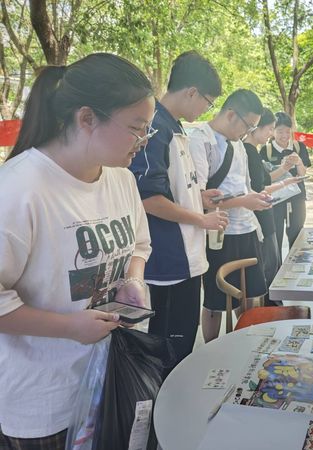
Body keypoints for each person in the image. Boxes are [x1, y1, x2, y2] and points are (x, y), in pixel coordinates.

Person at [0, 53, 154, 448]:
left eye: (147, 129)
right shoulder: (18, 190)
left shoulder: (121, 180)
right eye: (137, 128)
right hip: (45, 403)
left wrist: (134, 280)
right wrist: (70, 327)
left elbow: (139, 244)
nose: (144, 141)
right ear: (87, 118)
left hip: (112, 379)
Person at [129, 50, 229, 364]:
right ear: (191, 92)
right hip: (169, 261)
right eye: (208, 102)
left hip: (185, 257)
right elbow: (149, 199)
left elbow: (172, 190)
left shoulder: (175, 126)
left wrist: (199, 198)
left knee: (184, 339)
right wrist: (201, 219)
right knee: (169, 349)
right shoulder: (155, 128)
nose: (206, 109)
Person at [189, 89, 272, 343]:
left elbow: (244, 186)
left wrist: (256, 198)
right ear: (231, 115)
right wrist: (244, 202)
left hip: (247, 228)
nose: (248, 133)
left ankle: (243, 344)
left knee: (249, 295)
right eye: (248, 126)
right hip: (219, 233)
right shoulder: (200, 140)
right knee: (215, 302)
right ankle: (213, 350)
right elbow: (199, 197)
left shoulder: (239, 145)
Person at [243, 108, 303, 306]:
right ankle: (271, 308)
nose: (271, 134)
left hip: (264, 214)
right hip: (262, 216)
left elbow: (262, 183)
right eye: (270, 129)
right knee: (269, 266)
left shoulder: (249, 150)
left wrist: (286, 180)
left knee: (271, 263)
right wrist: (284, 180)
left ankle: (272, 305)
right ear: (255, 126)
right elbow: (259, 188)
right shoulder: (250, 152)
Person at [260, 112, 311, 254]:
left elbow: (303, 174)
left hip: (297, 198)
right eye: (280, 131)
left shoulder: (299, 147)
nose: (284, 135)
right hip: (275, 200)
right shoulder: (266, 150)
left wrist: (298, 162)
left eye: (288, 131)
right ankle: (276, 266)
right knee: (275, 236)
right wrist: (283, 168)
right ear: (273, 131)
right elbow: (265, 179)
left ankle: (296, 264)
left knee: (297, 235)